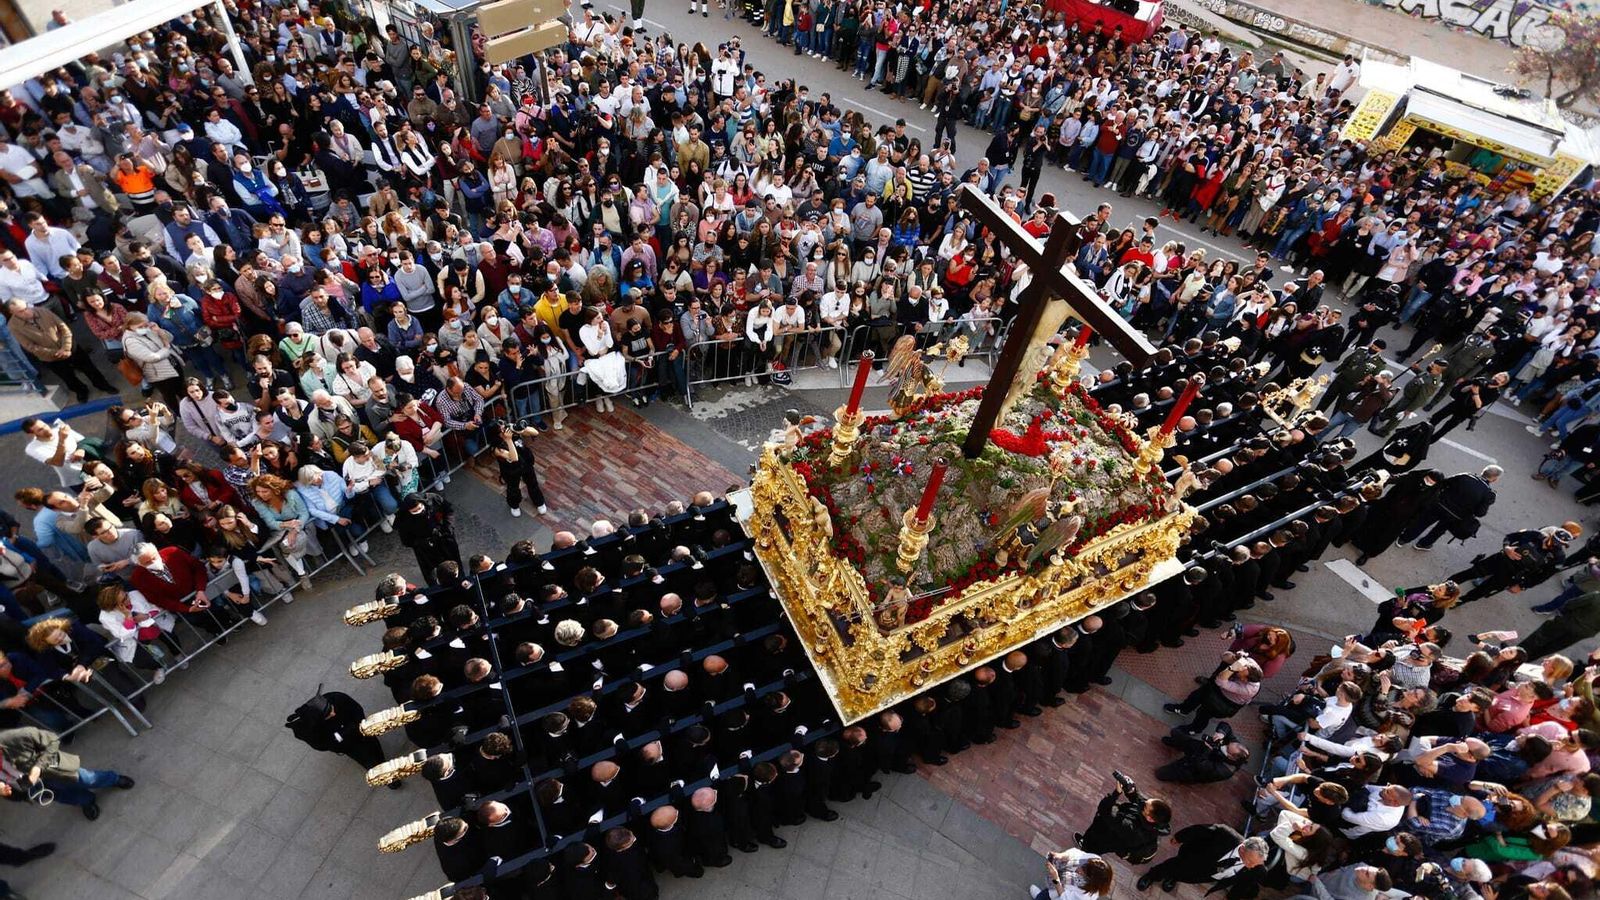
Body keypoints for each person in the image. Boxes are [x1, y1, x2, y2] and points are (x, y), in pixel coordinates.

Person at [0, 725, 135, 820]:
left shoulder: (13, 737)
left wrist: (38, 767)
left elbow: (52, 740)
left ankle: (113, 779)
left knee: (87, 779)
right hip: (27, 784)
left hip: (50, 768)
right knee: (60, 795)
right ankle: (86, 801)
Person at [284, 686, 399, 787]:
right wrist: (343, 736)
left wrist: (355, 727)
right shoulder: (309, 729)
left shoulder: (337, 698)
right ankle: (385, 776)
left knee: (375, 747)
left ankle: (382, 762)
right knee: (367, 759)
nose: (333, 713)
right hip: (349, 746)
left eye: (331, 709)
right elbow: (322, 744)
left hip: (361, 731)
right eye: (328, 714)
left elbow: (357, 710)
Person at [1137, 829, 1269, 896]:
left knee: (1188, 877)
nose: (1251, 867)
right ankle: (1152, 876)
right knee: (1172, 867)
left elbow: (1243, 884)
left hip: (1208, 875)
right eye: (1250, 861)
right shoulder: (1225, 835)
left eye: (1256, 864)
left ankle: (1174, 878)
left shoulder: (1257, 868)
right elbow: (1200, 830)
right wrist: (1180, 837)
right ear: (1243, 849)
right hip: (1196, 858)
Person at [1075, 771, 1169, 863]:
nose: (1144, 802)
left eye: (1145, 806)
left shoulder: (1131, 828)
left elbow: (1104, 810)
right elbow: (1139, 802)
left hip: (1106, 837)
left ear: (1150, 818)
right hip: (1112, 831)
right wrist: (1131, 791)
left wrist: (1116, 793)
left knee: (1093, 847)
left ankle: (1084, 855)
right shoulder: (1156, 820)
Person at [394, 492, 462, 583]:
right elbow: (406, 540)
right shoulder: (403, 518)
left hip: (443, 537)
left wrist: (448, 528)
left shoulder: (433, 499)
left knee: (454, 562)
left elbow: (448, 510)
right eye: (414, 511)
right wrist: (420, 543)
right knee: (431, 573)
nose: (418, 512)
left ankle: (460, 579)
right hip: (425, 547)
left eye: (419, 508)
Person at [490, 422, 547, 517]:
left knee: (532, 483)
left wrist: (520, 428)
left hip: (525, 463)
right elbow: (514, 458)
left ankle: (539, 502)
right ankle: (514, 505)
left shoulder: (514, 433)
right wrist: (508, 440)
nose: (506, 430)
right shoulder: (497, 448)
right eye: (502, 430)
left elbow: (535, 433)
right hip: (511, 470)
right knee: (513, 488)